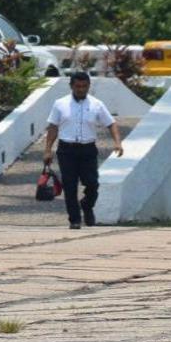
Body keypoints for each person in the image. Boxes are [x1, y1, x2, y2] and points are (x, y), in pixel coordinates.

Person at [43, 72, 124, 229]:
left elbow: (111, 123)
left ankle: (87, 205)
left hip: (88, 149)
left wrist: (118, 143)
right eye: (77, 86)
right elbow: (53, 127)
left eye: (84, 86)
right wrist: (47, 150)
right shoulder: (60, 104)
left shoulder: (96, 104)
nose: (81, 89)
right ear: (71, 86)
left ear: (88, 86)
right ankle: (74, 219)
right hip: (66, 150)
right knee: (70, 186)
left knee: (92, 183)